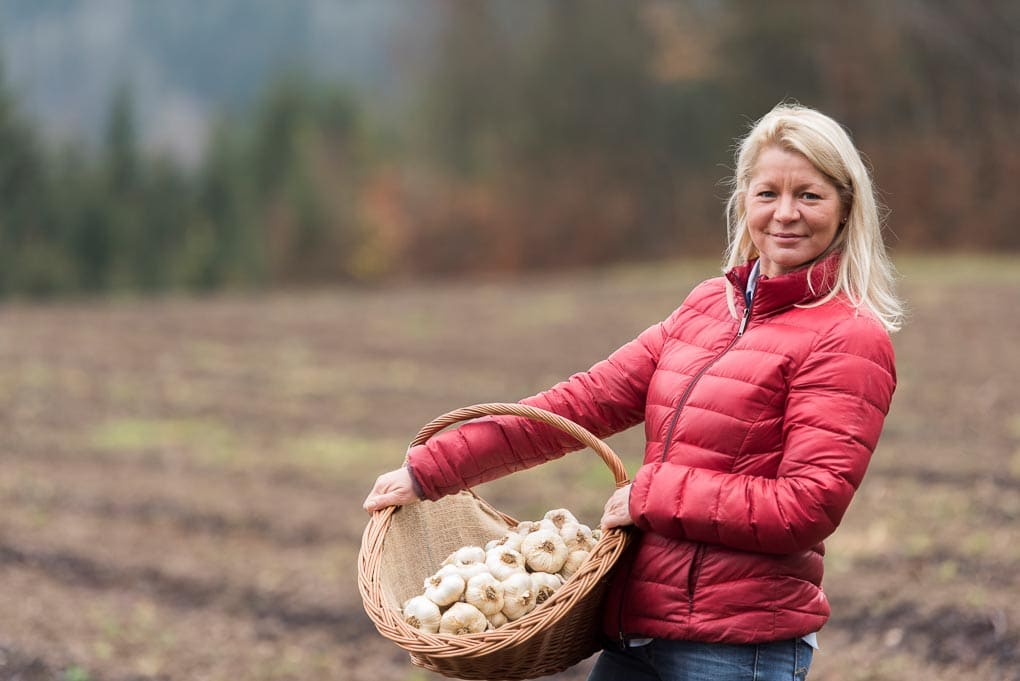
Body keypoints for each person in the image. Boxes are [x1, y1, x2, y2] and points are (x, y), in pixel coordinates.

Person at [363, 102, 903, 681]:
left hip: (734, 648)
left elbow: (806, 506)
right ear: (744, 201)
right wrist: (433, 468)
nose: (786, 214)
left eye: (810, 196)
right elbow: (581, 404)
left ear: (846, 209)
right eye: (768, 193)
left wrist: (651, 494)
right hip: (638, 632)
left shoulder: (848, 337)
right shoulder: (706, 308)